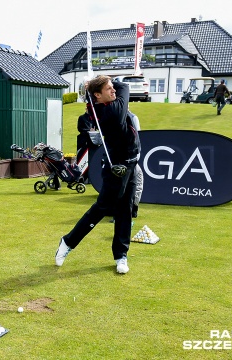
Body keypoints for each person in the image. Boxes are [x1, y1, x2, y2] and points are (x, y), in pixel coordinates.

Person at [55, 75, 140, 275]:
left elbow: (115, 89)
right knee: (102, 208)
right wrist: (109, 81)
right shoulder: (110, 111)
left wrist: (99, 82)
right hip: (116, 169)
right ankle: (67, 242)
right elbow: (125, 86)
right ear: (97, 96)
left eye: (112, 88)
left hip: (130, 164)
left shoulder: (101, 105)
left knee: (125, 210)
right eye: (109, 89)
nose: (114, 91)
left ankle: (121, 255)